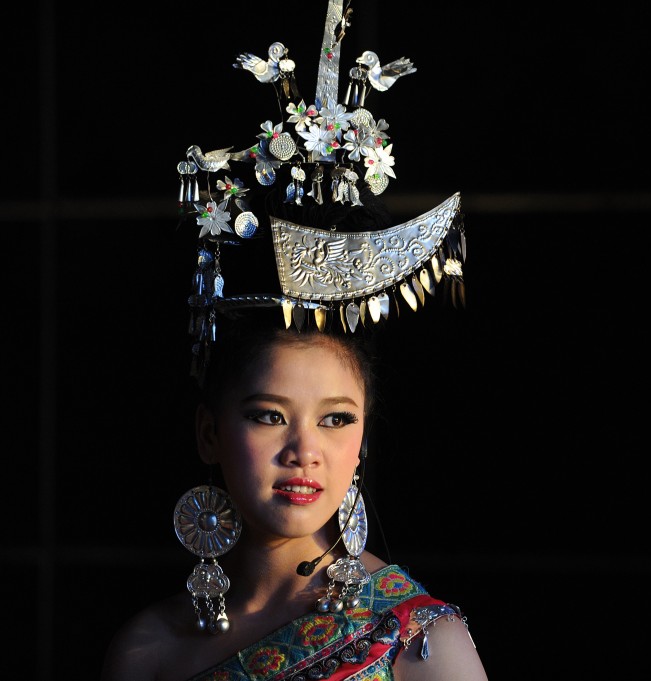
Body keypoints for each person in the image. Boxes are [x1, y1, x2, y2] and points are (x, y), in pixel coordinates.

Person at [100, 1, 485, 678]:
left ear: (362, 439)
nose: (305, 450)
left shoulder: (416, 642)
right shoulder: (145, 651)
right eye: (269, 414)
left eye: (336, 418)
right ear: (210, 431)